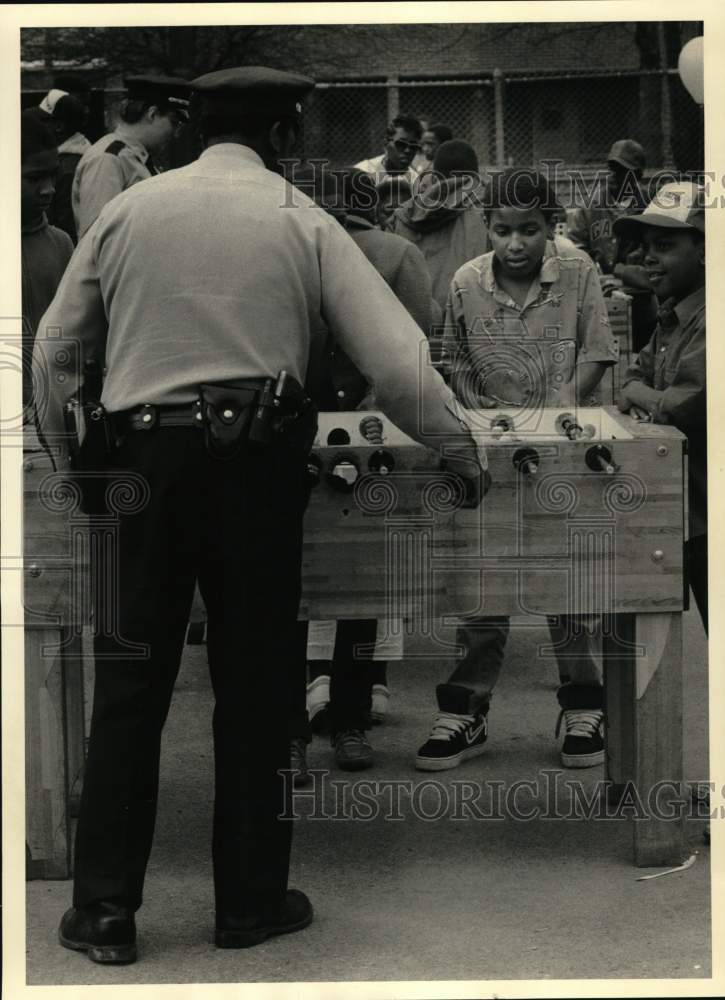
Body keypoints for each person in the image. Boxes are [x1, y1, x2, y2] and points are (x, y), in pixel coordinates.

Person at [34, 66, 485, 964]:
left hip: (141, 464)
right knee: (255, 688)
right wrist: (457, 443)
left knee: (130, 691)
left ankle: (108, 913)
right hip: (255, 471)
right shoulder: (302, 218)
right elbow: (395, 359)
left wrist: (68, 462)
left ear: (198, 131)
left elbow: (55, 350)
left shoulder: (130, 211)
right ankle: (247, 902)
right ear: (283, 136)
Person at [415, 168, 618, 773]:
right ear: (487, 228)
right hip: (489, 444)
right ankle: (466, 710)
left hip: (560, 444)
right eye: (502, 231)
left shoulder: (579, 273)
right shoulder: (464, 281)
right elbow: (449, 359)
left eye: (529, 230)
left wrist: (558, 407)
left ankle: (584, 704)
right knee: (485, 575)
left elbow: (600, 351)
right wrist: (482, 413)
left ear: (552, 226)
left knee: (566, 579)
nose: (515, 245)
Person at [289, 166, 437, 776]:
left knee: (285, 583)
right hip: (370, 430)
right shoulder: (397, 252)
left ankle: (289, 730)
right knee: (363, 578)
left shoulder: (292, 246)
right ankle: (349, 719)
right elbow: (414, 353)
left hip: (292, 427)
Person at [614, 182, 707, 631]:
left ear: (706, 249)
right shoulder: (671, 315)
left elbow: (684, 407)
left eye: (665, 246)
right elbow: (633, 377)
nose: (648, 258)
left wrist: (640, 397)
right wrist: (640, 393)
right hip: (689, 509)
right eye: (646, 247)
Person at [71, 74, 190, 239]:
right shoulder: (108, 159)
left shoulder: (131, 156)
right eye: (174, 122)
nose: (176, 133)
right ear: (152, 114)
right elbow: (97, 236)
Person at [567, 138, 656, 350]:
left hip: (639, 294)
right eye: (612, 168)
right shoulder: (591, 204)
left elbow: (654, 261)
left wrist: (619, 269)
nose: (614, 175)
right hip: (601, 293)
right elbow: (576, 246)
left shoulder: (650, 207)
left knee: (641, 344)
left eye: (623, 170)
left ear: (638, 175)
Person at [391, 139, 490, 311]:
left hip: (417, 317)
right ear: (475, 171)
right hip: (470, 314)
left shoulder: (407, 212)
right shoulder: (490, 207)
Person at [21, 110, 74, 416]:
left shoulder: (61, 243)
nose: (49, 189)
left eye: (53, 176)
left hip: (51, 412)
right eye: (34, 178)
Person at [32, 89, 91, 242]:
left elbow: (66, 228)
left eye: (41, 120)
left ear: (58, 126)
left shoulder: (67, 168)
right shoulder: (78, 155)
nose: (36, 125)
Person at [355, 114, 422, 186]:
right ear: (386, 143)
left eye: (413, 146)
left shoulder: (414, 180)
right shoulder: (364, 170)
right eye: (401, 144)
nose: (407, 150)